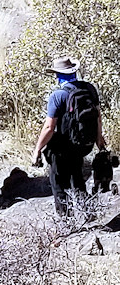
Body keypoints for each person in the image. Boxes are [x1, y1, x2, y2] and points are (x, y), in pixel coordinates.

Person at [32, 56, 107, 219]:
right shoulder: (89, 88)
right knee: (76, 173)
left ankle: (64, 218)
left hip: (65, 145)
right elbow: (98, 116)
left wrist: (37, 149)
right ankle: (88, 212)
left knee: (56, 178)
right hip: (84, 143)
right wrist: (98, 139)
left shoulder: (57, 95)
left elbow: (49, 127)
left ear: (57, 75)